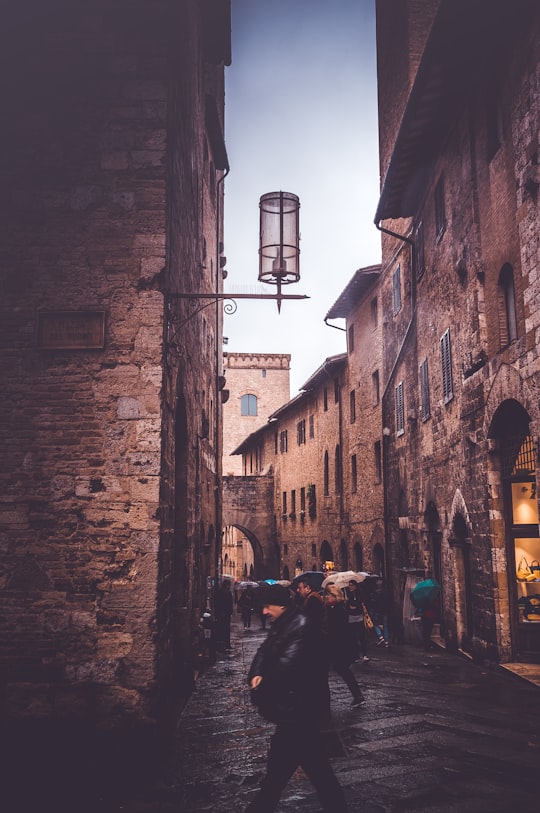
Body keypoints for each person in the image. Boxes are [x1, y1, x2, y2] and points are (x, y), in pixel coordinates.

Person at [246, 584, 348, 813]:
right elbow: (263, 651)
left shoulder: (300, 625)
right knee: (313, 771)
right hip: (296, 714)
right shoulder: (283, 624)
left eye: (267, 607)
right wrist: (256, 673)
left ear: (281, 606)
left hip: (299, 711)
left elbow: (285, 668)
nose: (264, 612)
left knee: (285, 775)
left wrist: (262, 684)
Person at [323, 584, 365, 707]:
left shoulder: (336, 609)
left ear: (334, 596)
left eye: (328, 595)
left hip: (338, 646)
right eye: (326, 595)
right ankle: (357, 695)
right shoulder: (334, 607)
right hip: (337, 646)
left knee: (341, 670)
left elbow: (335, 629)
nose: (326, 597)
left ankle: (357, 696)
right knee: (342, 670)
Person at [344, 579, 370, 662]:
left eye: (351, 585)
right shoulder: (347, 594)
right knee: (353, 638)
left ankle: (364, 654)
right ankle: (356, 655)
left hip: (359, 617)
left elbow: (363, 602)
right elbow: (346, 607)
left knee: (361, 636)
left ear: (355, 586)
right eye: (349, 585)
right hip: (351, 617)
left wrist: (356, 606)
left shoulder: (360, 593)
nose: (350, 586)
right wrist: (347, 603)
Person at [214, 579, 234, 650]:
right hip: (226, 614)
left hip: (219, 614)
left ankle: (221, 644)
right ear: (227, 585)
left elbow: (215, 603)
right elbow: (230, 604)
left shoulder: (218, 592)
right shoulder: (228, 593)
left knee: (220, 629)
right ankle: (227, 644)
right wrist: (230, 612)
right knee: (226, 629)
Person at [371, 577, 390, 647]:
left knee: (376, 624)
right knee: (385, 626)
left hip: (377, 610)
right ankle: (386, 641)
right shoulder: (386, 591)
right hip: (384, 611)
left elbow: (373, 602)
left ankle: (380, 636)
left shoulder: (375, 592)